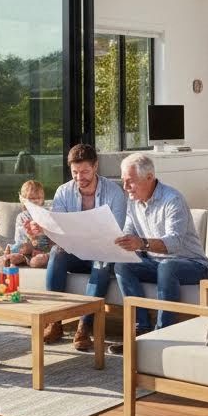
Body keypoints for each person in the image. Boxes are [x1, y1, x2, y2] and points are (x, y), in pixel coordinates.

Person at [108, 152, 208, 353]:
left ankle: (163, 334)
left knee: (167, 266)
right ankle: (141, 331)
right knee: (122, 265)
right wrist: (120, 240)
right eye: (123, 181)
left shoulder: (172, 199)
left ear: (149, 177)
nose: (126, 187)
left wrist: (142, 243)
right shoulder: (133, 201)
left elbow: (175, 242)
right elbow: (130, 231)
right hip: (156, 262)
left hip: (191, 263)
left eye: (130, 182)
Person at [34, 143, 129, 351]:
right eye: (75, 172)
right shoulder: (63, 192)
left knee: (101, 262)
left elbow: (117, 232)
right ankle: (55, 321)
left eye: (85, 171)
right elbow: (57, 229)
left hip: (103, 253)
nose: (79, 177)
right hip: (75, 252)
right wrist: (43, 230)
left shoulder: (114, 193)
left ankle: (84, 326)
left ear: (95, 166)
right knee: (56, 253)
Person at [0, 180, 52, 269]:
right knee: (22, 249)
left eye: (38, 198)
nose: (35, 201)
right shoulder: (21, 217)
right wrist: (29, 244)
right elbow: (19, 240)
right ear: (24, 200)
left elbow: (50, 239)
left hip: (43, 249)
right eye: (31, 198)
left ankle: (26, 260)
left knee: (37, 260)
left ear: (43, 199)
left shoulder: (46, 214)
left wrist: (38, 245)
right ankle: (20, 258)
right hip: (26, 249)